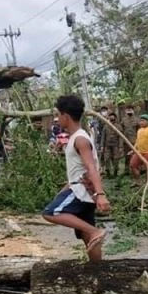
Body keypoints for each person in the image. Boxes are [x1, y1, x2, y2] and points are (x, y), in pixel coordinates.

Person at [43, 95, 110, 261]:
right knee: (87, 236)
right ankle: (98, 272)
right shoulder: (77, 137)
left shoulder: (80, 139)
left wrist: (101, 195)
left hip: (80, 191)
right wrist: (63, 191)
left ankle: (96, 231)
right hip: (81, 189)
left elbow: (91, 167)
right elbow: (78, 171)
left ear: (66, 115)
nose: (57, 119)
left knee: (51, 212)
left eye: (58, 115)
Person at [129, 114, 148, 182]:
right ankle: (138, 181)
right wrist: (133, 150)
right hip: (139, 152)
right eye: (140, 121)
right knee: (132, 165)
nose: (141, 122)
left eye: (143, 121)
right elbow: (137, 141)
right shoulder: (139, 130)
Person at [101, 111, 123, 178]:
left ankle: (115, 172)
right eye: (110, 116)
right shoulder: (106, 126)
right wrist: (102, 146)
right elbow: (103, 136)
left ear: (115, 117)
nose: (111, 117)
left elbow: (121, 137)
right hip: (107, 145)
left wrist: (120, 146)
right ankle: (108, 172)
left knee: (116, 159)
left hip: (116, 145)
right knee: (106, 158)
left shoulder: (118, 126)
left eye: (113, 116)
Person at [120, 107, 139, 173]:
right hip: (126, 141)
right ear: (126, 111)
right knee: (127, 156)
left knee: (135, 155)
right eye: (128, 109)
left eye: (131, 109)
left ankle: (135, 169)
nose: (129, 111)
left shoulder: (137, 119)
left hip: (134, 141)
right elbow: (121, 129)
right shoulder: (123, 120)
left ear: (133, 110)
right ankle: (126, 170)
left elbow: (139, 130)